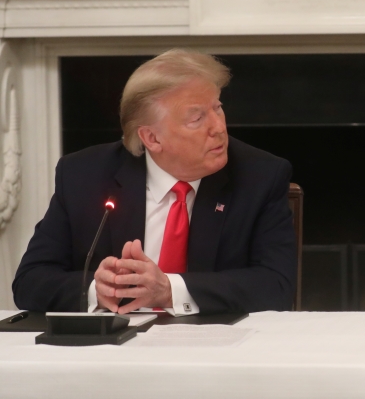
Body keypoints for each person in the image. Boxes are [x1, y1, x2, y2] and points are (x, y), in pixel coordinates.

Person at [13, 49, 297, 315]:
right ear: (151, 138)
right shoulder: (84, 175)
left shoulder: (260, 176)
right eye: (197, 118)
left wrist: (169, 291)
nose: (219, 127)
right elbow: (29, 282)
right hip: (115, 352)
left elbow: (278, 286)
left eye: (218, 108)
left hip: (215, 352)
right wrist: (95, 291)